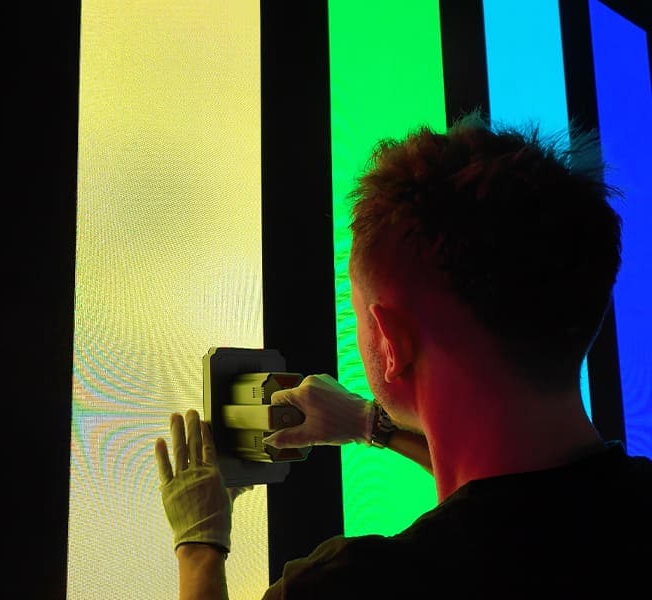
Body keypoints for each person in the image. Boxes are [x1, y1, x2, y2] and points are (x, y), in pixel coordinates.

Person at [154, 112, 652, 599]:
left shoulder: (350, 587)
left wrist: (199, 548)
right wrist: (368, 423)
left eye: (358, 316)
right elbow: (522, 510)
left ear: (392, 344)